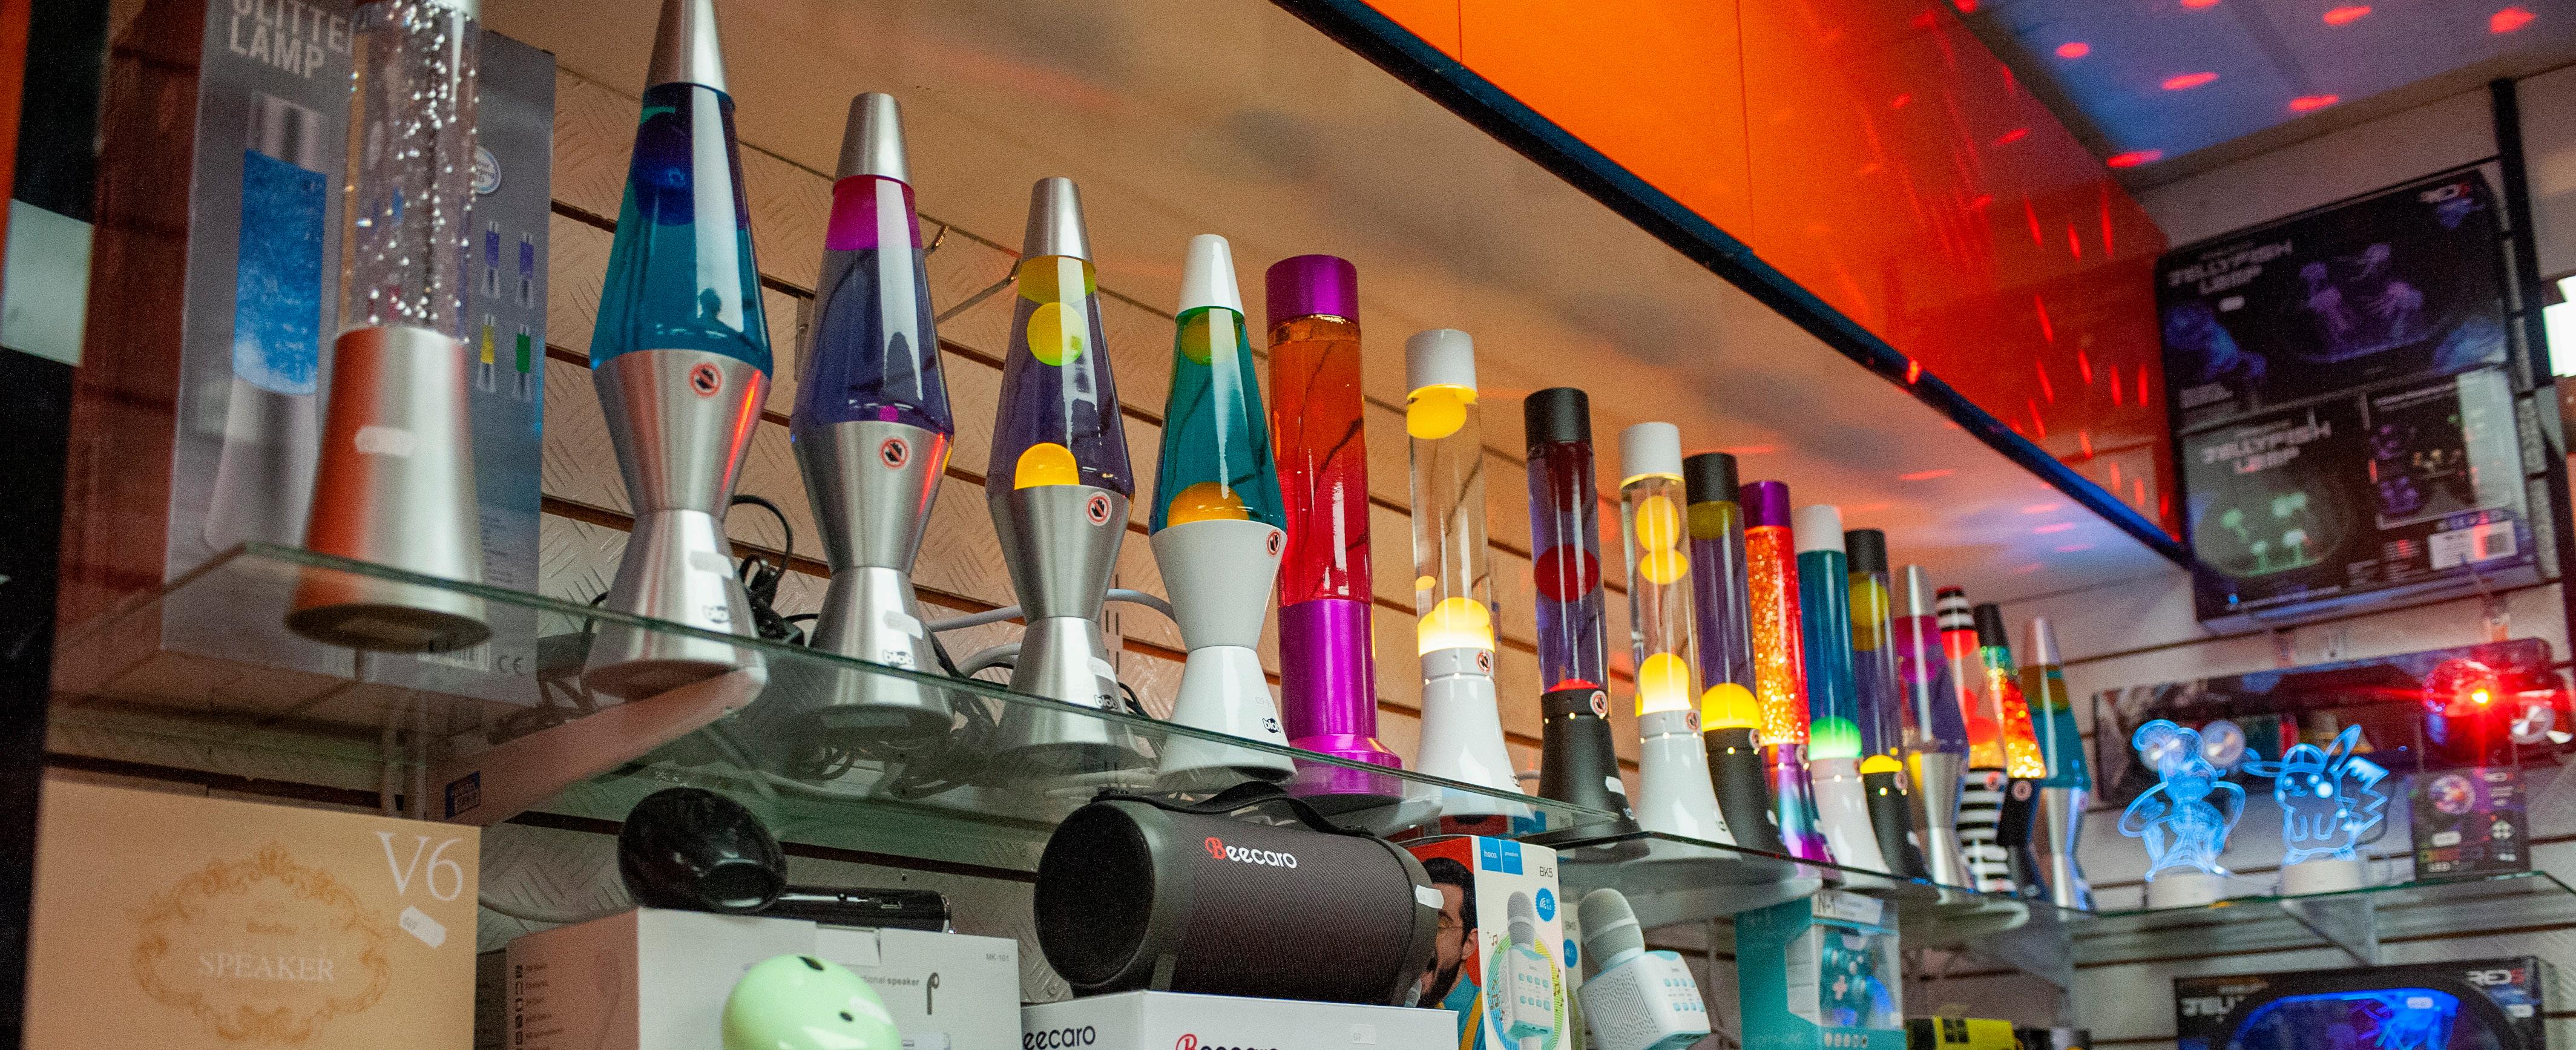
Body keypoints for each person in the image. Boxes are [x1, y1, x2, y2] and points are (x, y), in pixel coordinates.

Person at [1416, 856, 1485, 1047]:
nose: (1421, 937)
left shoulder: (1491, 1024)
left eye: (1439, 925)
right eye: (1416, 921)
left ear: (1469, 944)